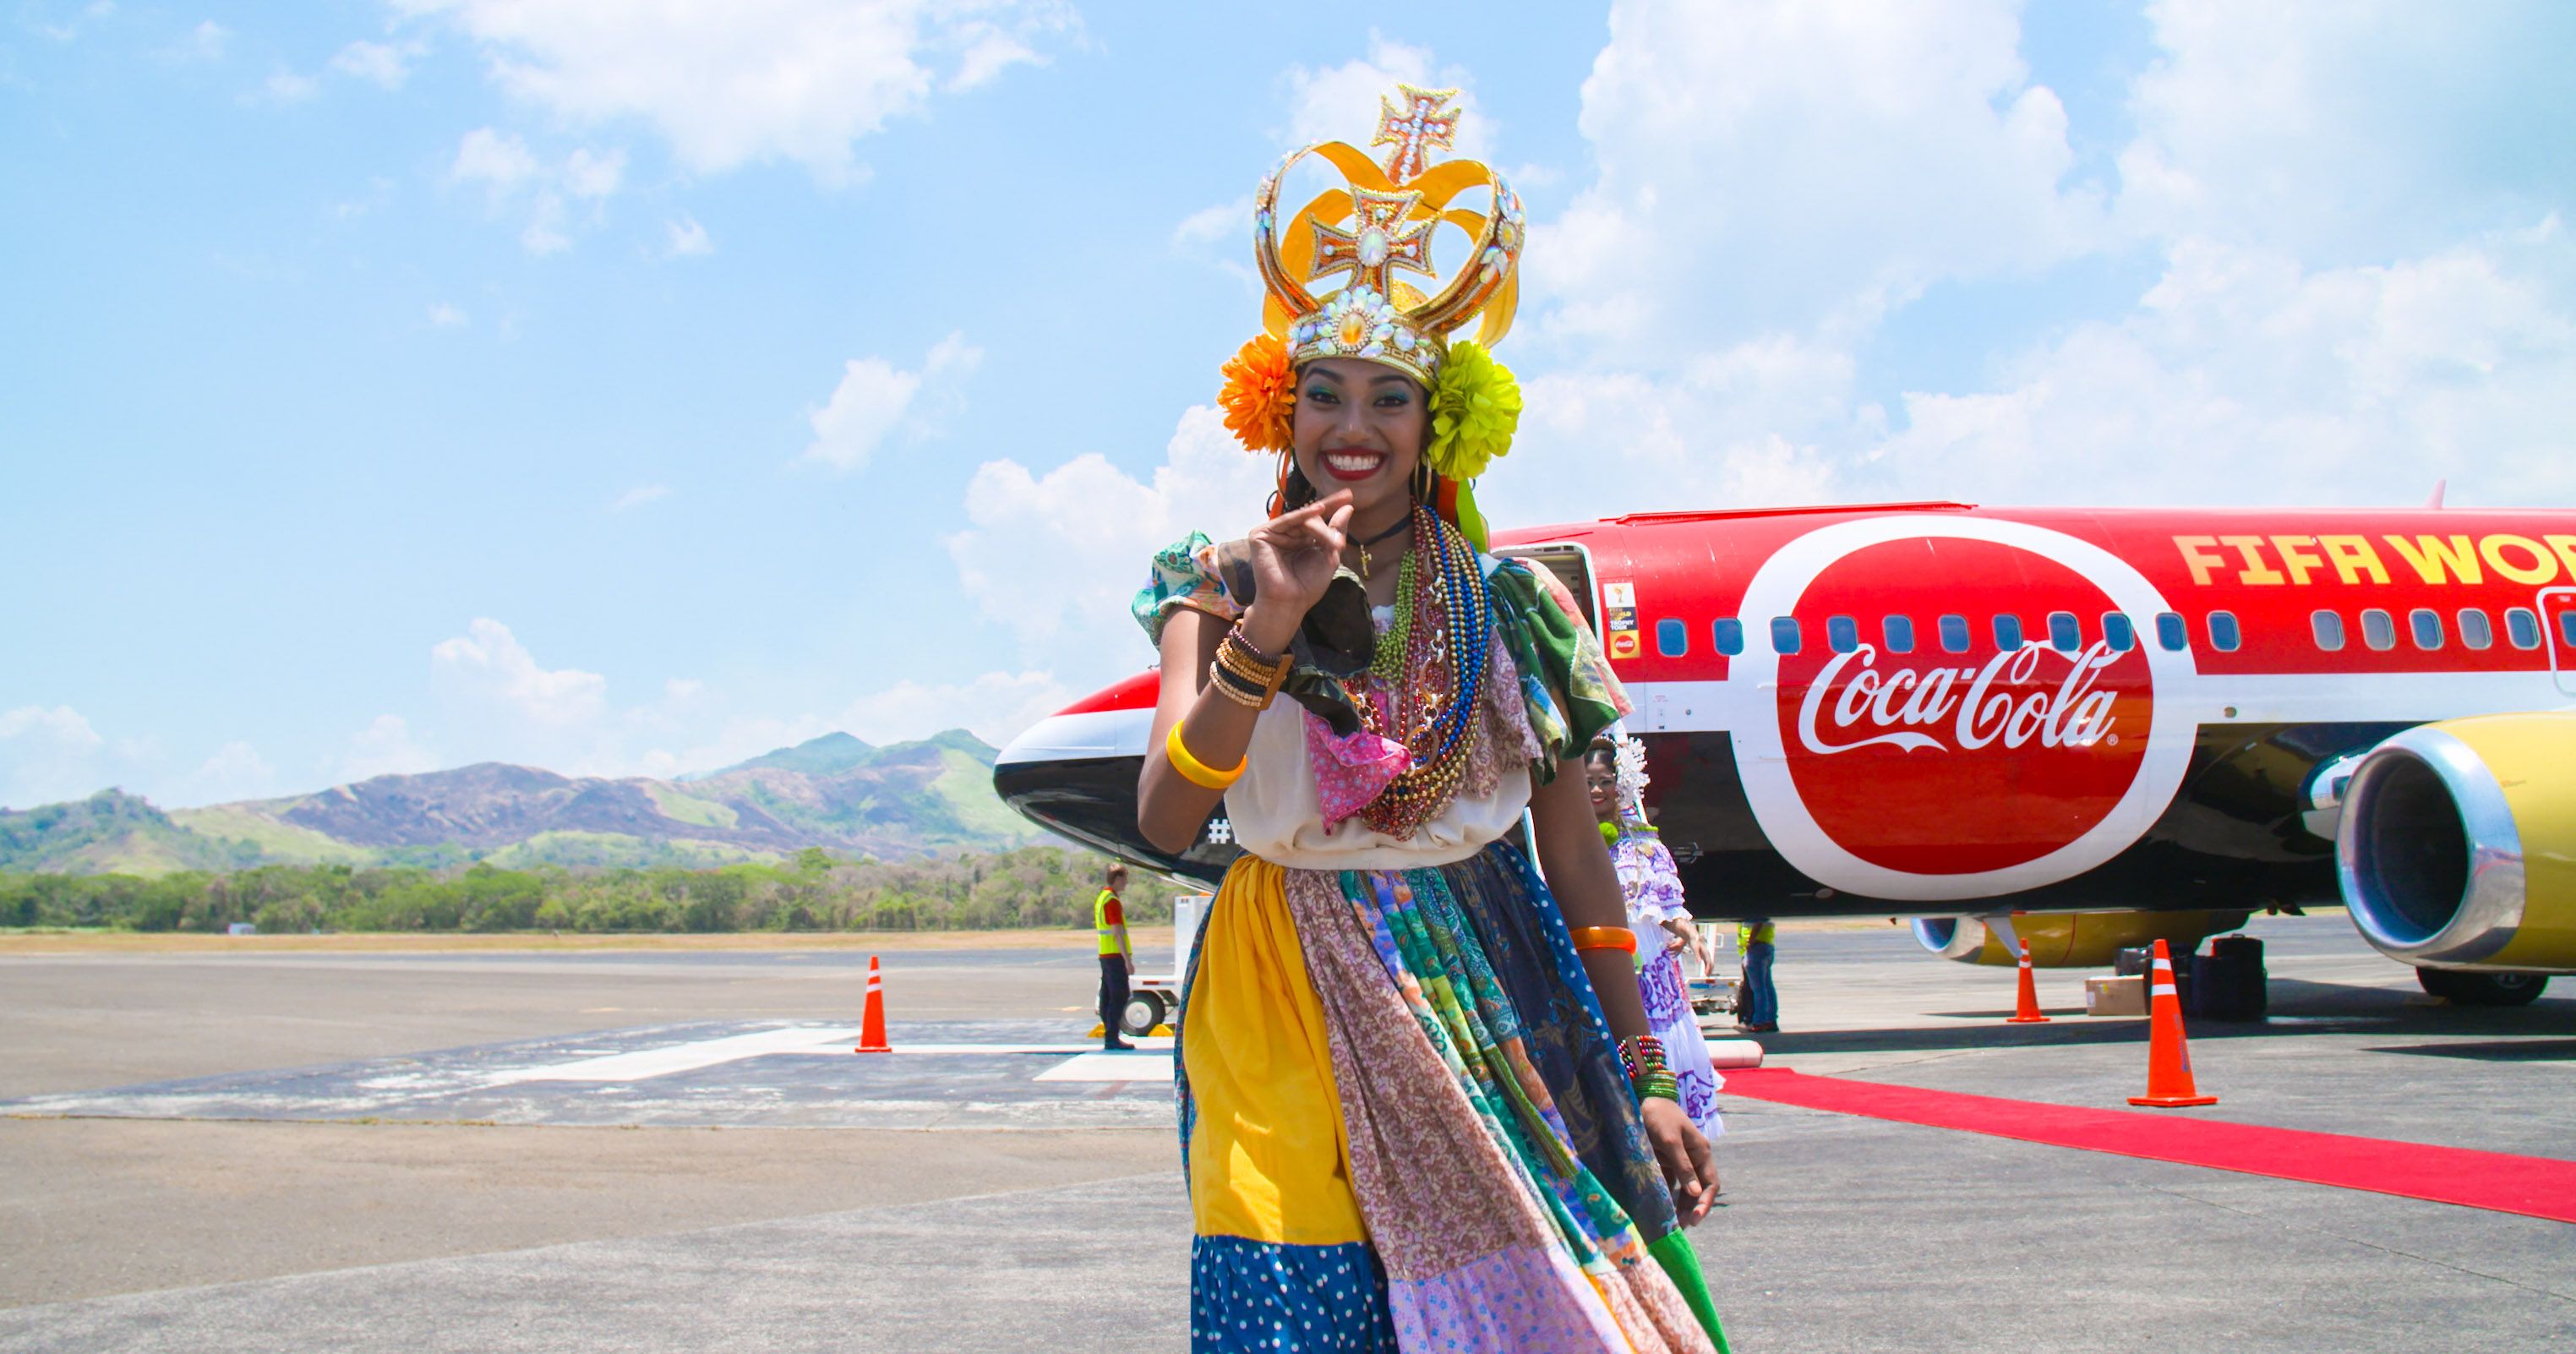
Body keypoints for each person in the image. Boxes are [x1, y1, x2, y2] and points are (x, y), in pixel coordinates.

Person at [1133, 86, 1727, 1353]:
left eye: (1389, 397)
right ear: (1278, 412)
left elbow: (1573, 856)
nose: (1354, 429)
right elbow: (1171, 812)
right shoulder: (1212, 579)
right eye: (1326, 395)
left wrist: (1649, 1069)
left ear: (1436, 420)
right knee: (1295, 1296)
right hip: (1277, 970)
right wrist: (1268, 634)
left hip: (1487, 959)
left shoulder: (1514, 607)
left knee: (1541, 1304)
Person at [1585, 736, 1723, 1140]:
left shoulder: (1645, 848)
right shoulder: (1566, 846)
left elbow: (1670, 910)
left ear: (1621, 784)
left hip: (1649, 970)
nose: (1596, 790)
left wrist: (1692, 936)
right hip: (1599, 963)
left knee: (1657, 1052)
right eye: (1588, 782)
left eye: (1605, 781)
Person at [1096, 864, 1136, 1051]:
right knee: (1119, 995)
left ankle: (1110, 1035)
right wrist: (1127, 960)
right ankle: (1112, 1036)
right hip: (1114, 956)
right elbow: (1117, 933)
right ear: (1117, 879)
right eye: (1124, 879)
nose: (1126, 883)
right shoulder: (1112, 901)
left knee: (1108, 996)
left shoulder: (1102, 898)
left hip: (1105, 954)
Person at [1736, 917, 1777, 1034]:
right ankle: (1770, 1020)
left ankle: (1759, 1022)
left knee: (1759, 989)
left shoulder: (1755, 910)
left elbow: (1758, 922)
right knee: (1767, 987)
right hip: (1766, 945)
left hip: (1756, 948)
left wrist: (1750, 942)